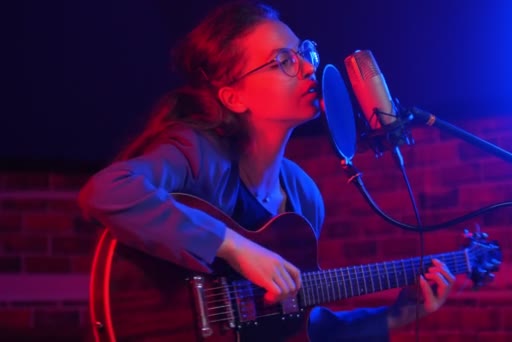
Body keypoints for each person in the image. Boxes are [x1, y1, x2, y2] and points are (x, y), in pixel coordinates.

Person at [78, 1, 455, 341]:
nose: (309, 66)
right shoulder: (195, 151)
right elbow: (106, 191)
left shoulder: (305, 197)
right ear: (233, 96)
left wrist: (399, 314)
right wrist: (234, 247)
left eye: (305, 52)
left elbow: (300, 329)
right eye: (283, 61)